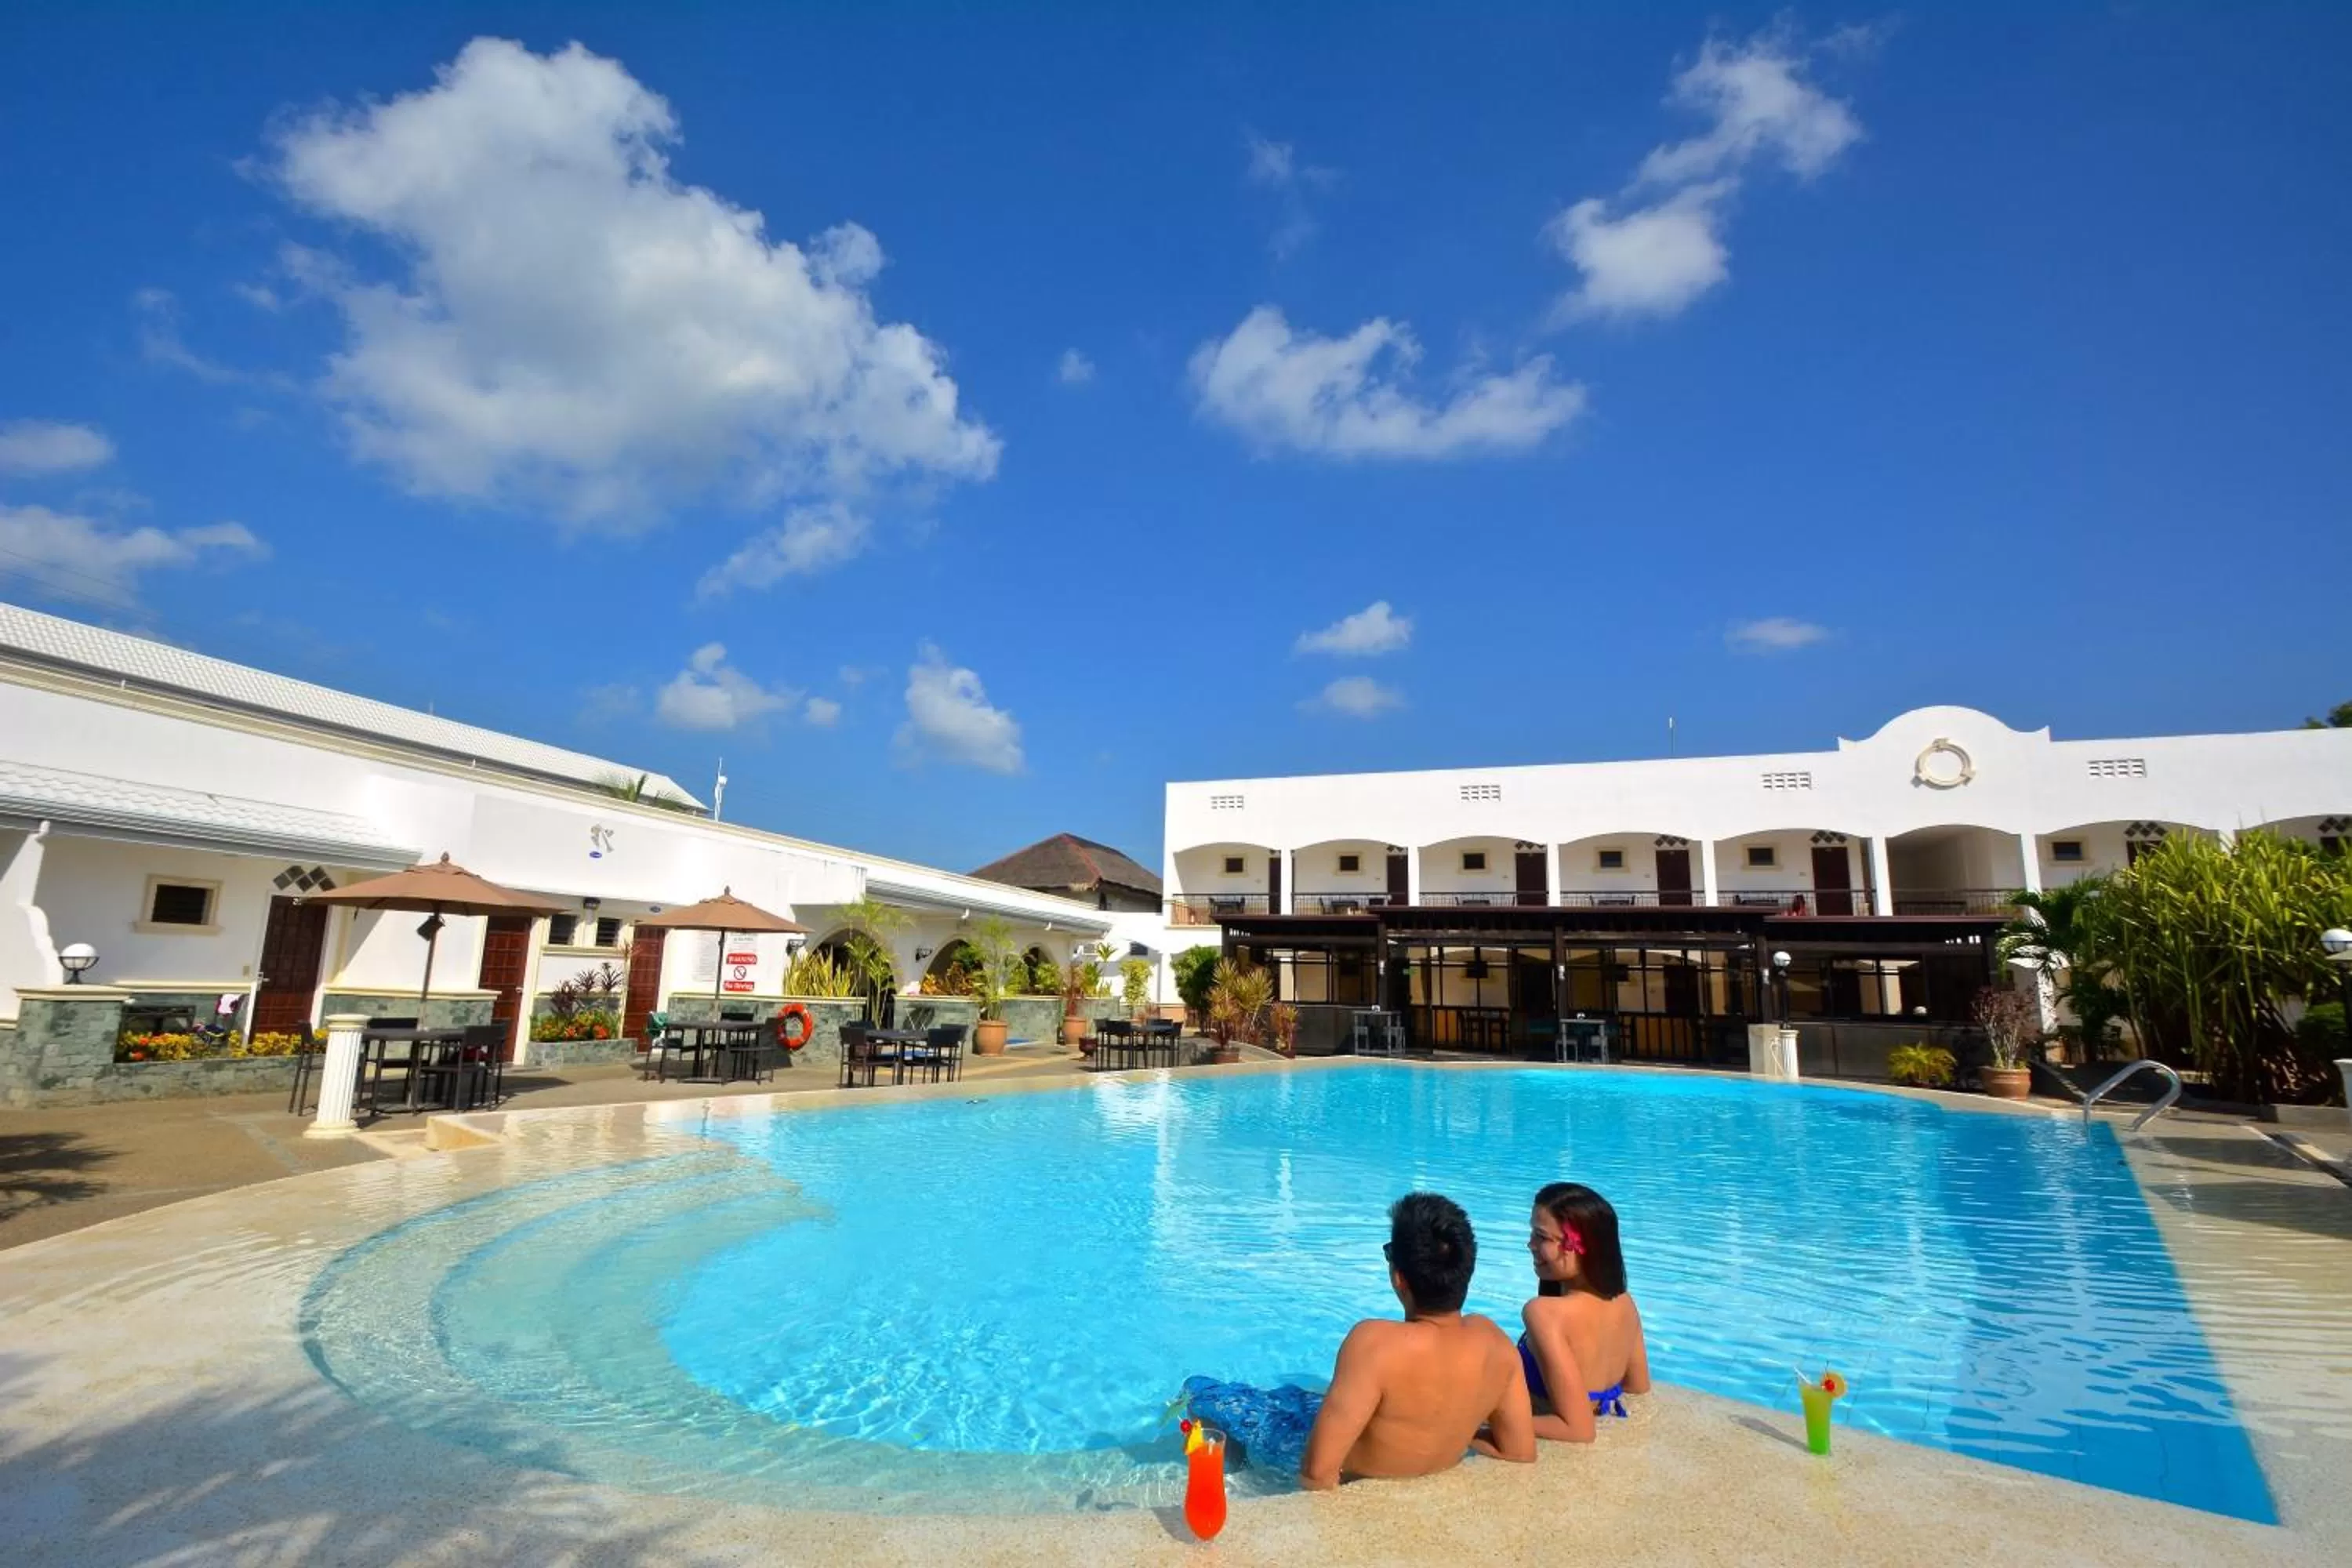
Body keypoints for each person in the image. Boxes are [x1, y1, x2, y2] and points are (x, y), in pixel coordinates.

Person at [1181, 1193, 1535, 1488]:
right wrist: (1453, 1430)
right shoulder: (1495, 1342)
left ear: (1399, 1278)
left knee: (1201, 1392)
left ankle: (1237, 1475)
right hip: (1395, 1453)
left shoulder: (1375, 1344)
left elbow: (1317, 1472)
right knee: (1290, 1396)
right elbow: (1520, 1450)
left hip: (1336, 1468)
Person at [1517, 1181, 1650, 1443]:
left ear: (1580, 1246)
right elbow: (1637, 1387)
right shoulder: (1624, 1302)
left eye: (1541, 1237)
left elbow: (1578, 1429)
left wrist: (1483, 1421)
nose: (1530, 1245)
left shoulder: (1544, 1313)